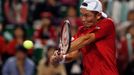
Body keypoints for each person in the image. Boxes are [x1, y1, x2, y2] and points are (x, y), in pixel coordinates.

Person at [50, 0, 119, 75]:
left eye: (87, 15)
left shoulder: (108, 23)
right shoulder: (81, 30)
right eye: (82, 15)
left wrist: (64, 49)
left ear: (98, 15)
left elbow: (86, 39)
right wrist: (60, 58)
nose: (83, 19)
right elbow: (72, 54)